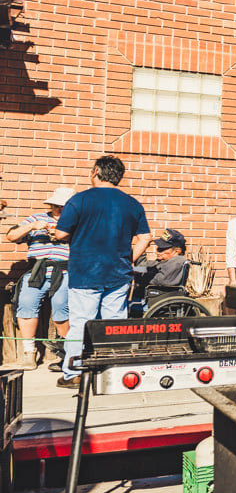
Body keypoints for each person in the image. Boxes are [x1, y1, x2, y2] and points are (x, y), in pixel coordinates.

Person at [53, 156, 151, 388]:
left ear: (95, 171)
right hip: (118, 274)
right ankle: (111, 371)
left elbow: (60, 234)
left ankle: (73, 374)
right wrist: (128, 260)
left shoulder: (79, 200)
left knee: (81, 323)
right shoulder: (132, 204)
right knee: (115, 323)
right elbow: (145, 237)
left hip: (85, 272)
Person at [4, 186, 74, 365]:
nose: (60, 209)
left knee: (61, 306)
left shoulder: (76, 222)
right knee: (26, 303)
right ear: (51, 205)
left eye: (64, 206)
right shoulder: (37, 218)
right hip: (36, 270)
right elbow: (11, 236)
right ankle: (29, 352)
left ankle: (67, 351)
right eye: (57, 205)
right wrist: (32, 226)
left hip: (65, 271)